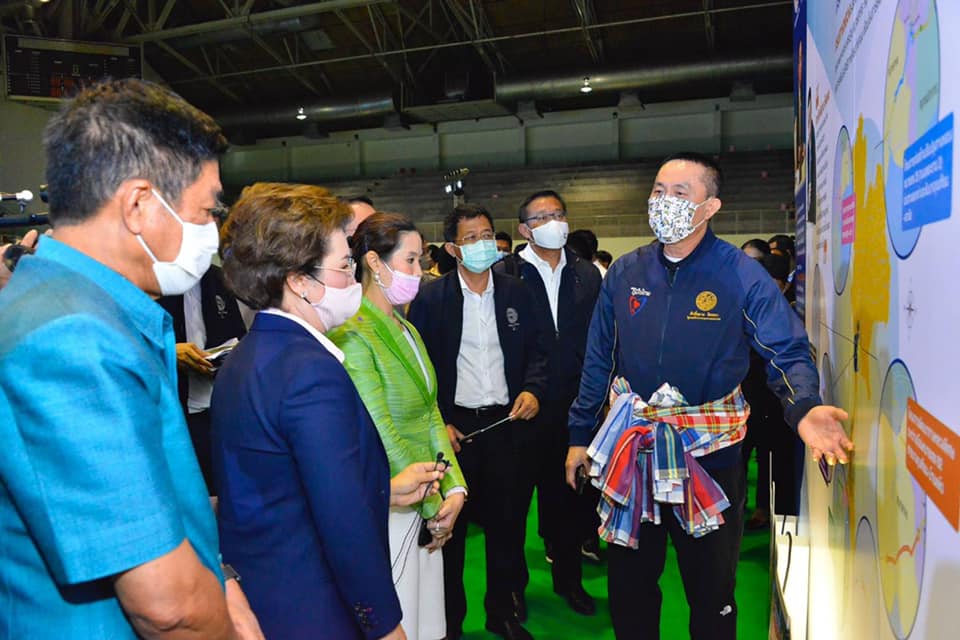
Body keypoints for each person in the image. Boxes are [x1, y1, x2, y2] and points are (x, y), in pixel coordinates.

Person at [0, 78, 261, 639]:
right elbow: (167, 606)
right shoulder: (72, 338)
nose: (211, 232)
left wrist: (218, 578)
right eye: (206, 211)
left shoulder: (83, 310)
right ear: (140, 204)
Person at [566, 152, 852, 640]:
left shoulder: (740, 274)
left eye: (680, 193)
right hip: (635, 451)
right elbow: (599, 357)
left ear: (710, 206)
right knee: (630, 588)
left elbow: (785, 349)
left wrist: (802, 406)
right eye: (658, 191)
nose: (664, 202)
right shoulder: (626, 271)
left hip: (711, 457)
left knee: (712, 590)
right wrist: (580, 434)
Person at [212, 183, 445, 640]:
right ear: (299, 281)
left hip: (267, 590)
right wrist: (384, 624)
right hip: (315, 603)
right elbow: (342, 523)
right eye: (343, 266)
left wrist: (383, 488)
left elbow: (284, 484)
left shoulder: (248, 355)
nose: (354, 280)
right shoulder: (311, 372)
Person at [408, 204, 548, 640]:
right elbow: (419, 368)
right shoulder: (432, 299)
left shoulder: (517, 292)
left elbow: (540, 349)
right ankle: (450, 623)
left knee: (507, 528)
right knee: (451, 531)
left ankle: (501, 613)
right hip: (456, 433)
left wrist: (534, 388)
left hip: (507, 425)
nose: (483, 244)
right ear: (453, 248)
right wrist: (440, 421)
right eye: (471, 238)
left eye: (487, 235)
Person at [330, 213, 469, 639]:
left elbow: (430, 413)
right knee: (399, 618)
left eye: (419, 260)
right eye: (409, 260)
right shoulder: (353, 332)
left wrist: (455, 489)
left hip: (426, 498)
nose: (418, 271)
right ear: (374, 262)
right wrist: (431, 505)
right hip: (394, 503)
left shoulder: (406, 327)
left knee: (427, 620)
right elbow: (382, 428)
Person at [495, 190, 601, 617]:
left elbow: (599, 339)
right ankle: (512, 591)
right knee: (513, 508)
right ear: (525, 229)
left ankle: (569, 581)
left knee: (570, 503)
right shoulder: (506, 274)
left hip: (573, 411)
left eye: (558, 214)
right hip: (522, 409)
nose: (553, 222)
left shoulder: (586, 274)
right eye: (541, 217)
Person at [157, 264, 247, 494]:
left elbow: (237, 335)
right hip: (173, 409)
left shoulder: (217, 278)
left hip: (216, 405)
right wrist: (169, 352)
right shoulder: (151, 281)